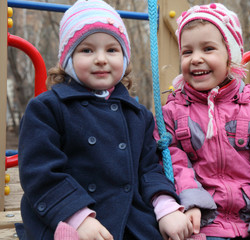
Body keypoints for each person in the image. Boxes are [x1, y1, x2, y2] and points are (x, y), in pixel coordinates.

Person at [15, 0, 194, 239]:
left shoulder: (137, 114)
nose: (101, 59)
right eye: (87, 50)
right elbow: (40, 172)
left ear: (124, 58)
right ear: (68, 59)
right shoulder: (48, 108)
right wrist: (77, 217)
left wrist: (166, 208)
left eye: (112, 50)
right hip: (67, 212)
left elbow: (149, 169)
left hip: (128, 216)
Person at [156, 3, 250, 240]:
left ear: (230, 56)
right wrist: (190, 200)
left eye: (208, 49)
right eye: (187, 52)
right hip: (199, 222)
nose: (196, 58)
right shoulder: (172, 113)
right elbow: (171, 162)